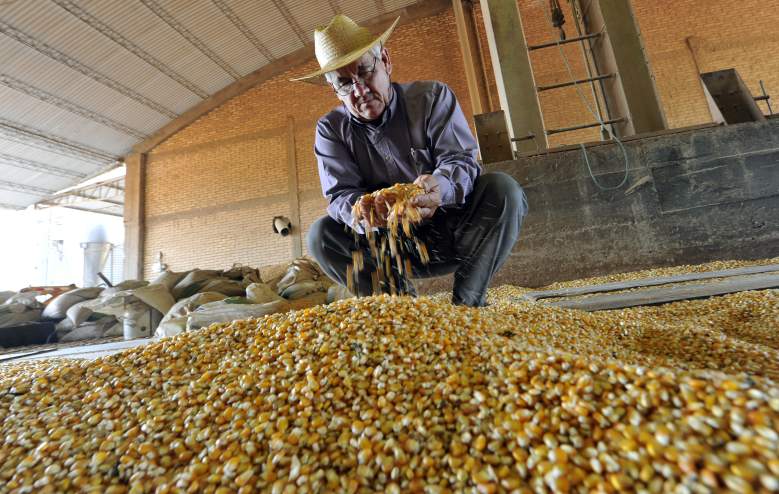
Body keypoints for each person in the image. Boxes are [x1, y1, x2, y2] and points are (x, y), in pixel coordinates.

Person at [292, 15, 528, 307]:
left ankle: (468, 305)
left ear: (386, 61)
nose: (360, 91)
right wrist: (363, 210)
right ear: (335, 90)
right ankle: (401, 310)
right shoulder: (330, 130)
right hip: (390, 250)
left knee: (503, 190)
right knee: (321, 235)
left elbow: (461, 162)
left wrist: (439, 187)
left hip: (452, 235)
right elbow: (340, 195)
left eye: (365, 72)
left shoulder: (432, 98)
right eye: (344, 84)